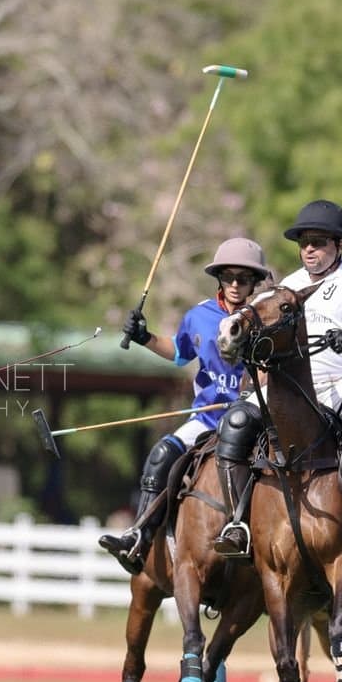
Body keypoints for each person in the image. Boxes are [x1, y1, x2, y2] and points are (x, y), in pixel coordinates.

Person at [214, 199, 342, 558]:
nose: (310, 249)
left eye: (318, 241)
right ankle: (237, 522)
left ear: (340, 244)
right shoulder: (289, 285)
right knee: (236, 423)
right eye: (304, 243)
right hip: (293, 386)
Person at [99, 237, 271, 574]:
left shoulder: (264, 317)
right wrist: (144, 337)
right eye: (229, 277)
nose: (235, 285)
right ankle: (140, 536)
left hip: (252, 421)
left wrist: (251, 392)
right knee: (162, 453)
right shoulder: (199, 315)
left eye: (244, 278)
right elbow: (179, 354)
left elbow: (270, 371)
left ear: (255, 282)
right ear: (219, 278)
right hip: (208, 418)